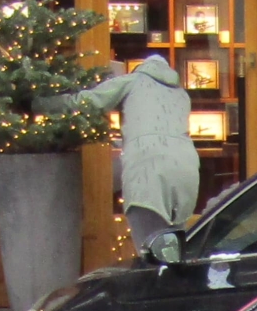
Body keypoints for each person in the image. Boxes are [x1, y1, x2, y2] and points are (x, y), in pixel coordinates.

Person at [40, 54, 201, 258]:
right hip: (186, 166)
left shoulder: (132, 81)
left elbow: (89, 102)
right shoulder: (182, 95)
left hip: (147, 163)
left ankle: (155, 285)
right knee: (175, 249)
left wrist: (40, 104)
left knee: (149, 250)